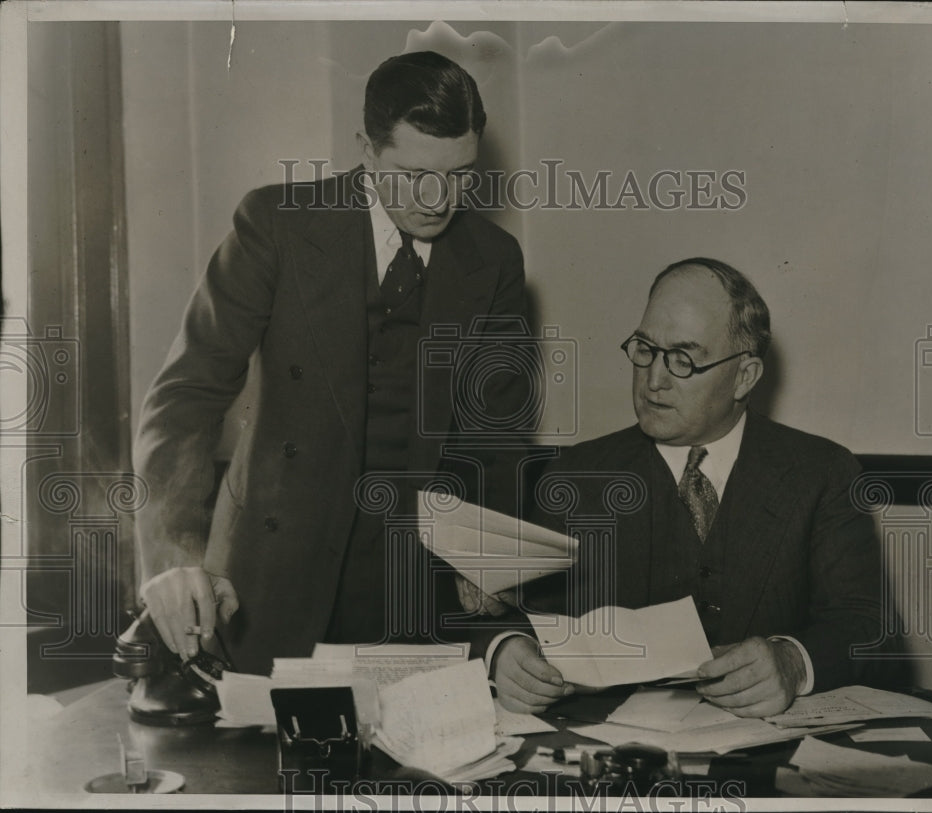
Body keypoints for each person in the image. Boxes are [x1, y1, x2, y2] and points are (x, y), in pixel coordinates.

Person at [133, 51, 532, 676]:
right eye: (412, 174)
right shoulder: (276, 225)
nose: (437, 200)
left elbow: (497, 432)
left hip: (413, 582)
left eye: (459, 175)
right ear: (366, 151)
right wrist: (175, 554)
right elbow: (185, 397)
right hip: (270, 572)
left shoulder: (495, 259)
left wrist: (487, 556)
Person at [491, 258, 892, 718]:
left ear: (745, 376)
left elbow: (868, 629)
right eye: (645, 348)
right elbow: (514, 618)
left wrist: (793, 662)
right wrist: (506, 651)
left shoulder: (822, 473)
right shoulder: (574, 477)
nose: (654, 380)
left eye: (684, 359)